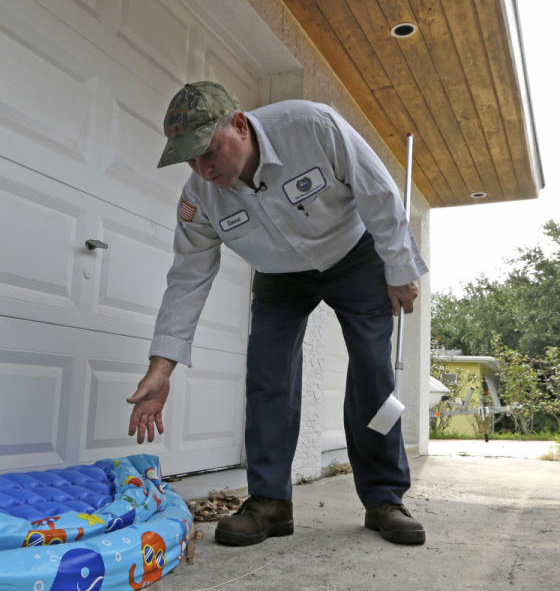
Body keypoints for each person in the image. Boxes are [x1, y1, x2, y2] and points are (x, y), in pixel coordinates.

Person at [127, 82, 427, 546]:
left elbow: (378, 191)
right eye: (190, 159)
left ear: (240, 125)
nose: (203, 169)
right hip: (280, 275)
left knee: (372, 371)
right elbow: (187, 278)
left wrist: (400, 267)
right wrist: (161, 366)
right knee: (268, 374)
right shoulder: (199, 198)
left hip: (353, 255)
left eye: (209, 150)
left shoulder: (311, 125)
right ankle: (270, 502)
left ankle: (385, 498)